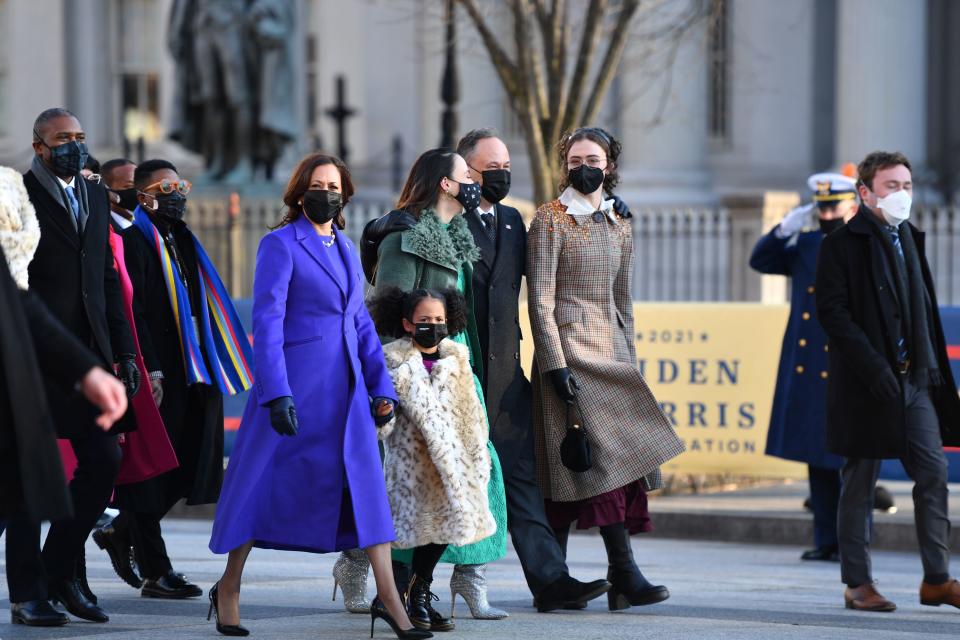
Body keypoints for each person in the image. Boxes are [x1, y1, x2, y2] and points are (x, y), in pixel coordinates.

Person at [208, 152, 429, 639]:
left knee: (367, 491)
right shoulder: (278, 245)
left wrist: (380, 386)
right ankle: (228, 586)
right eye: (316, 185)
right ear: (298, 192)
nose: (325, 194)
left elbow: (359, 325)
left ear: (345, 194)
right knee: (257, 484)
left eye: (333, 186)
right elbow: (266, 325)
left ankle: (390, 600)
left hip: (346, 391)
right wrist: (275, 393)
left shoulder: (347, 248)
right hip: (294, 388)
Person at [527, 127, 685, 612]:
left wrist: (630, 362)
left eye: (592, 158)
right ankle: (620, 572)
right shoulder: (550, 220)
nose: (583, 167)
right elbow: (539, 299)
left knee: (596, 465)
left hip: (612, 354)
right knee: (584, 464)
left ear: (609, 165)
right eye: (574, 160)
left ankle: (578, 579)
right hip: (571, 353)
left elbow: (624, 298)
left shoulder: (620, 221)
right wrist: (554, 365)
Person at [454, 128, 611, 612]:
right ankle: (403, 580)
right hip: (460, 376)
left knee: (522, 483)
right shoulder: (444, 224)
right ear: (464, 174)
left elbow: (553, 272)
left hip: (506, 384)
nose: (500, 175)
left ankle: (551, 581)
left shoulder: (510, 222)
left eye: (506, 167)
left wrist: (609, 209)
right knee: (447, 482)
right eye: (490, 169)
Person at [364, 148, 508, 626]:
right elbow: (387, 317)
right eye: (467, 174)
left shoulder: (455, 235)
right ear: (445, 184)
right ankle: (402, 594)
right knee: (419, 488)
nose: (476, 180)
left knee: (463, 482)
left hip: (454, 374)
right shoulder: (405, 237)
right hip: (416, 379)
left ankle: (417, 589)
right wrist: (400, 383)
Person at [93, 159, 250, 600]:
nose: (178, 194)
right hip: (158, 368)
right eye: (166, 186)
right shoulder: (132, 239)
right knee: (152, 471)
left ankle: (120, 530)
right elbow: (134, 310)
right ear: (143, 194)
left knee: (189, 465)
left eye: (182, 185)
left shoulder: (180, 237)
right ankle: (156, 569)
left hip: (195, 365)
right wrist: (152, 370)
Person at [8, 108, 139, 625]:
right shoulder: (16, 196)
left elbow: (105, 277)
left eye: (81, 137)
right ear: (39, 145)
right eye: (64, 138)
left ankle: (59, 565)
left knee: (103, 462)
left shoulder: (90, 193)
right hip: (33, 356)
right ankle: (27, 592)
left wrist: (124, 352)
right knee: (24, 477)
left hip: (88, 355)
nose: (75, 146)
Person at [816, 151, 960, 612]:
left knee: (933, 474)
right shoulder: (842, 243)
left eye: (907, 186)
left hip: (916, 379)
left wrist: (931, 370)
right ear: (865, 192)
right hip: (867, 384)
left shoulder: (910, 237)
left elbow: (921, 310)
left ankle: (937, 579)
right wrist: (876, 369)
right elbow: (833, 315)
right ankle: (858, 583)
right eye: (891, 186)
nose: (902, 195)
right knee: (859, 482)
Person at [368, 286, 498, 630]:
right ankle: (396, 596)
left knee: (446, 525)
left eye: (439, 319)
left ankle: (418, 592)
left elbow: (471, 412)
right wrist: (381, 413)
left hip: (455, 462)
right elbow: (381, 420)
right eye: (425, 320)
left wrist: (477, 455)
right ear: (408, 324)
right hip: (412, 465)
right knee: (405, 530)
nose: (434, 326)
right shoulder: (391, 359)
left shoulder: (457, 358)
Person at [750, 172, 858, 562]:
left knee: (851, 461)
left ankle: (853, 542)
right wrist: (783, 230)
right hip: (811, 365)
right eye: (822, 207)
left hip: (848, 362)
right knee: (819, 456)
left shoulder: (863, 245)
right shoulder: (807, 244)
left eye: (834, 206)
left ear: (852, 206)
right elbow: (760, 259)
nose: (827, 213)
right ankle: (826, 538)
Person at [101, 158, 139, 229]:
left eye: (140, 185)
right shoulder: (102, 227)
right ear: (108, 191)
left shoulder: (145, 222)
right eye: (129, 186)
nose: (137, 191)